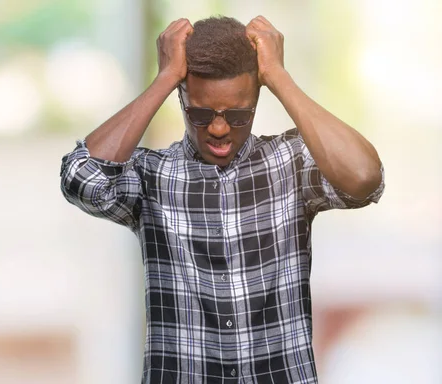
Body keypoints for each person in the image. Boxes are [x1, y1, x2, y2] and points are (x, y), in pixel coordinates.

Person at [60, 15, 384, 384]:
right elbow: (81, 180)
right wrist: (165, 77)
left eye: (238, 114)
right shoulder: (151, 176)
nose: (218, 129)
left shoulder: (290, 163)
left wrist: (279, 77)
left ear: (257, 99)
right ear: (181, 98)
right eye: (200, 114)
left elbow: (363, 178)